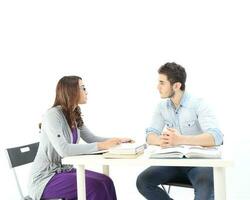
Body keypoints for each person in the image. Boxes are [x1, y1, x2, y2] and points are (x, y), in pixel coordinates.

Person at [29, 75, 132, 200]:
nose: (86, 91)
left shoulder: (73, 113)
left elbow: (91, 138)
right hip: (45, 178)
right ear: (71, 91)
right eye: (83, 88)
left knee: (106, 181)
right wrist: (101, 146)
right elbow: (64, 150)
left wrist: (116, 140)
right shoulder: (52, 115)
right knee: (96, 186)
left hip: (64, 171)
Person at [136, 62, 223, 200]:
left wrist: (180, 139)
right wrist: (160, 140)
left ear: (176, 85)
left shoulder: (199, 104)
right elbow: (150, 135)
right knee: (143, 182)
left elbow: (216, 137)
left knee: (204, 192)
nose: (157, 87)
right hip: (174, 162)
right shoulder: (161, 107)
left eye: (162, 83)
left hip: (199, 164)